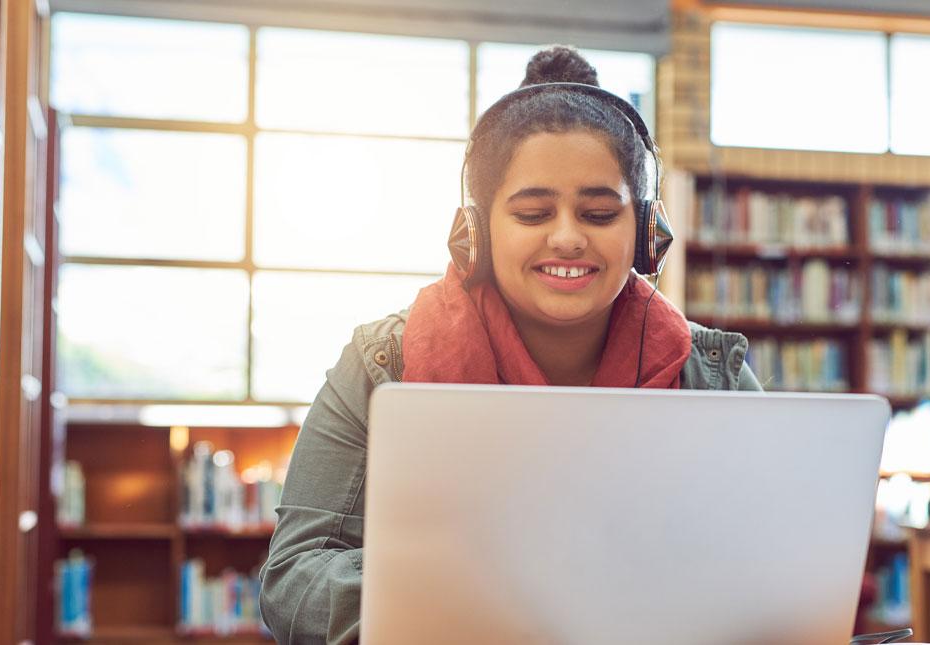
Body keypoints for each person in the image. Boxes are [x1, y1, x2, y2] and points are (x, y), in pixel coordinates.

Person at [259, 45, 762, 644]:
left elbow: (775, 565)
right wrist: (483, 596)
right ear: (476, 233)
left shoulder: (714, 375)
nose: (569, 238)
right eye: (532, 214)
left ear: (646, 233)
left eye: (601, 213)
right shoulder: (379, 365)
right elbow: (294, 577)